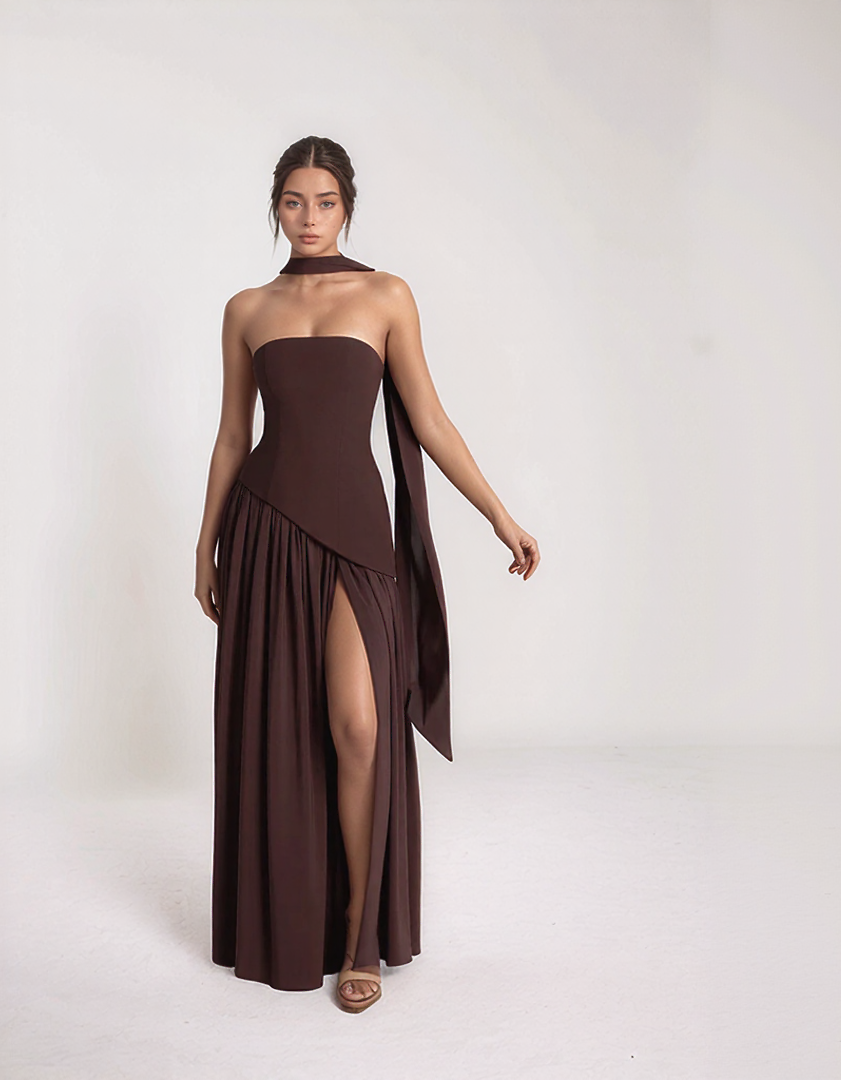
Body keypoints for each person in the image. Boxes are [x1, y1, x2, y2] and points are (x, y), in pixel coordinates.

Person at [195, 135, 539, 1012]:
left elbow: (430, 421)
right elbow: (233, 435)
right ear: (275, 207)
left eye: (325, 202)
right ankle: (296, 918)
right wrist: (206, 546)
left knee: (359, 725)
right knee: (284, 729)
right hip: (266, 531)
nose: (308, 218)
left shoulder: (387, 295)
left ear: (347, 206)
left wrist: (500, 516)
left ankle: (360, 934)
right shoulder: (246, 309)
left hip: (354, 535)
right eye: (292, 202)